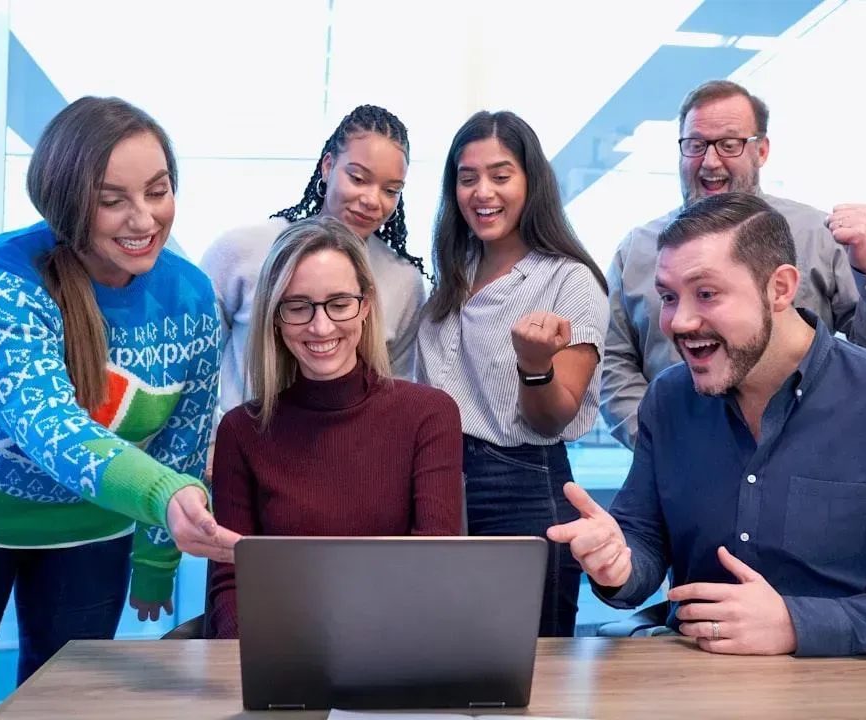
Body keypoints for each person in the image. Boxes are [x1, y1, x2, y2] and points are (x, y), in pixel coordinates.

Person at [0, 96, 240, 718]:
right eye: (112, 199)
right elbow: (50, 426)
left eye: (158, 190)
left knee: (64, 709)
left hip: (89, 530)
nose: (144, 218)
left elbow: (185, 429)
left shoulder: (189, 293)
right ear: (66, 198)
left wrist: (156, 554)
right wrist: (162, 497)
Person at [549, 193, 866, 657]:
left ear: (780, 289)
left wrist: (799, 625)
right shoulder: (669, 399)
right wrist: (617, 564)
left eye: (706, 294)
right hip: (696, 685)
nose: (678, 322)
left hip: (848, 694)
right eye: (667, 297)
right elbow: (643, 540)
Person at [600, 79, 866, 449]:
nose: (710, 162)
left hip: (806, 459)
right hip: (679, 470)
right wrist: (661, 443)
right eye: (695, 145)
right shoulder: (637, 250)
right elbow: (614, 366)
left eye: (730, 144)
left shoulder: (818, 236)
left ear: (761, 151)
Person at [206, 216, 462, 639]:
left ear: (365, 306)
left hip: (395, 650)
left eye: (339, 303)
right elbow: (230, 584)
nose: (320, 326)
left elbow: (432, 569)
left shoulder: (428, 415)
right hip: (281, 653)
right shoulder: (241, 431)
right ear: (275, 317)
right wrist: (257, 661)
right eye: (298, 306)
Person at [417, 111, 610, 637]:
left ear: (531, 182)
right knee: (440, 655)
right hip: (440, 481)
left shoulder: (569, 281)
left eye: (501, 176)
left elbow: (553, 418)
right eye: (467, 177)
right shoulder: (452, 274)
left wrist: (533, 366)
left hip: (523, 484)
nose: (483, 192)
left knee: (528, 669)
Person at [200, 104, 428, 424]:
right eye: (358, 178)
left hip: (342, 457)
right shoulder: (241, 251)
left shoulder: (403, 281)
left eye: (391, 190)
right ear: (328, 166)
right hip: (240, 449)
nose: (373, 200)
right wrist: (211, 443)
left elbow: (395, 391)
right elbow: (194, 363)